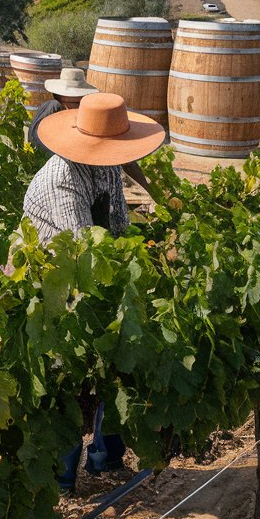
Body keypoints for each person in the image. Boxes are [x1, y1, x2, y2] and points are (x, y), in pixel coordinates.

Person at [22, 91, 165, 491]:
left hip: (92, 282)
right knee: (67, 381)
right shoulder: (60, 180)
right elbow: (86, 250)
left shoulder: (106, 168)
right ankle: (62, 478)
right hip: (52, 289)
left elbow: (118, 226)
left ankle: (105, 459)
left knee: (119, 365)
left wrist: (145, 253)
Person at [29, 68, 155, 199]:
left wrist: (149, 190)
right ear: (60, 98)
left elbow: (124, 159)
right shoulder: (51, 117)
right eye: (75, 103)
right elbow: (40, 150)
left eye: (82, 101)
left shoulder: (89, 120)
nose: (79, 107)